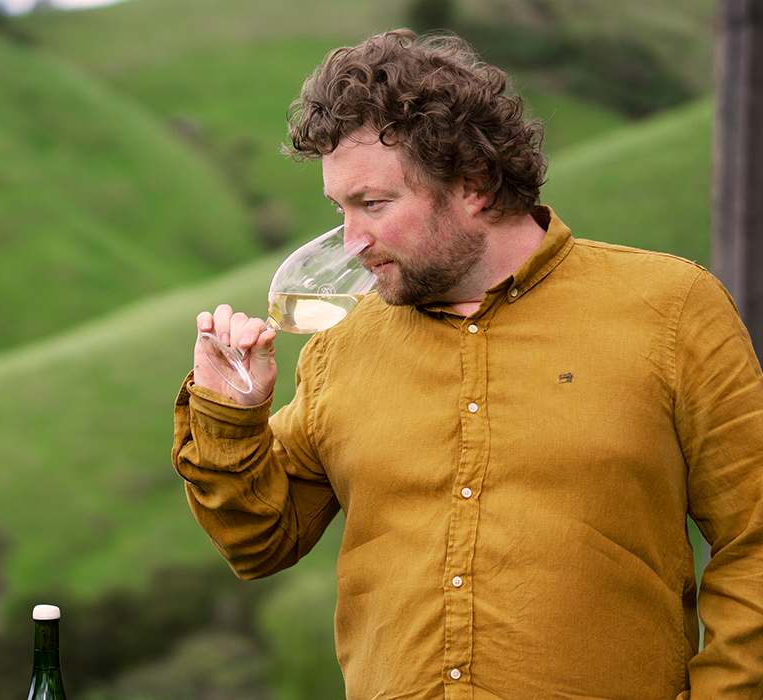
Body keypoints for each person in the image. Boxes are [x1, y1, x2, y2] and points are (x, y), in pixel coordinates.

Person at [171, 29, 763, 699]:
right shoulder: (340, 345)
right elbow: (258, 543)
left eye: (373, 205)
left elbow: (756, 538)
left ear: (474, 185)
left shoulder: (672, 308)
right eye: (340, 209)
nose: (353, 241)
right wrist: (232, 416)